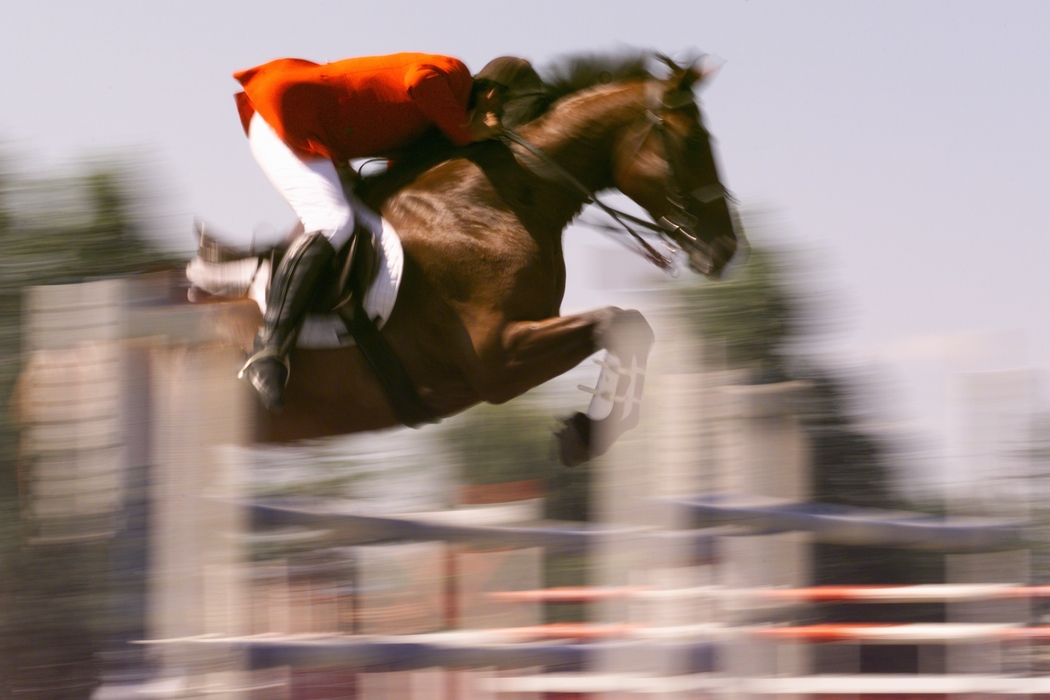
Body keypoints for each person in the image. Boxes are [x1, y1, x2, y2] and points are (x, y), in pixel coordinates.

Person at [233, 53, 541, 412]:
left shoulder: (438, 122)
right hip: (284, 114)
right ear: (493, 94)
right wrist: (468, 131)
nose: (499, 120)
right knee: (333, 222)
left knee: (352, 217)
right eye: (503, 110)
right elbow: (418, 81)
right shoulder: (452, 75)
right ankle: (268, 350)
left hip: (309, 128)